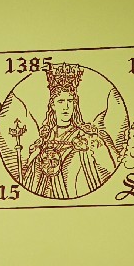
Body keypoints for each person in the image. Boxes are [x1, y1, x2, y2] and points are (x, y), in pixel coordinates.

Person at [18, 62, 121, 199]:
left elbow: (110, 172)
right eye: (61, 101)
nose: (66, 107)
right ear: (53, 105)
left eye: (70, 101)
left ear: (75, 104)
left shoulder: (88, 138)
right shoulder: (43, 141)